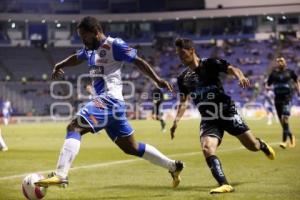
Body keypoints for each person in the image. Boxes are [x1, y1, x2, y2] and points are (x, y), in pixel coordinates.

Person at [35, 16, 183, 188]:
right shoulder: (89, 49)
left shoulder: (115, 45)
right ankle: (173, 166)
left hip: (109, 99)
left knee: (74, 127)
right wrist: (59, 65)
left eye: (85, 36)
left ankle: (61, 175)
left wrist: (157, 80)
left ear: (96, 32)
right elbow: (76, 57)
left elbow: (138, 61)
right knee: (131, 148)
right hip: (112, 105)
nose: (82, 40)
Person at [170, 38, 275, 194]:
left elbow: (233, 69)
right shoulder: (182, 78)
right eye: (178, 54)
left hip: (226, 111)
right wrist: (176, 122)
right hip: (208, 118)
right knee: (207, 148)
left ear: (192, 50)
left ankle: (262, 145)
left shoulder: (210, 63)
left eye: (183, 53)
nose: (180, 57)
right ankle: (224, 184)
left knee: (252, 146)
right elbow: (183, 101)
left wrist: (240, 77)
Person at [267, 57, 300, 148]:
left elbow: (296, 80)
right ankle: (291, 136)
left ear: (285, 62)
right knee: (282, 122)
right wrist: (267, 87)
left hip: (287, 98)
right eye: (278, 61)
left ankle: (284, 142)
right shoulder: (274, 74)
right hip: (277, 99)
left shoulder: (290, 72)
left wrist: (298, 90)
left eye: (281, 61)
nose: (280, 63)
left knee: (285, 119)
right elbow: (268, 83)